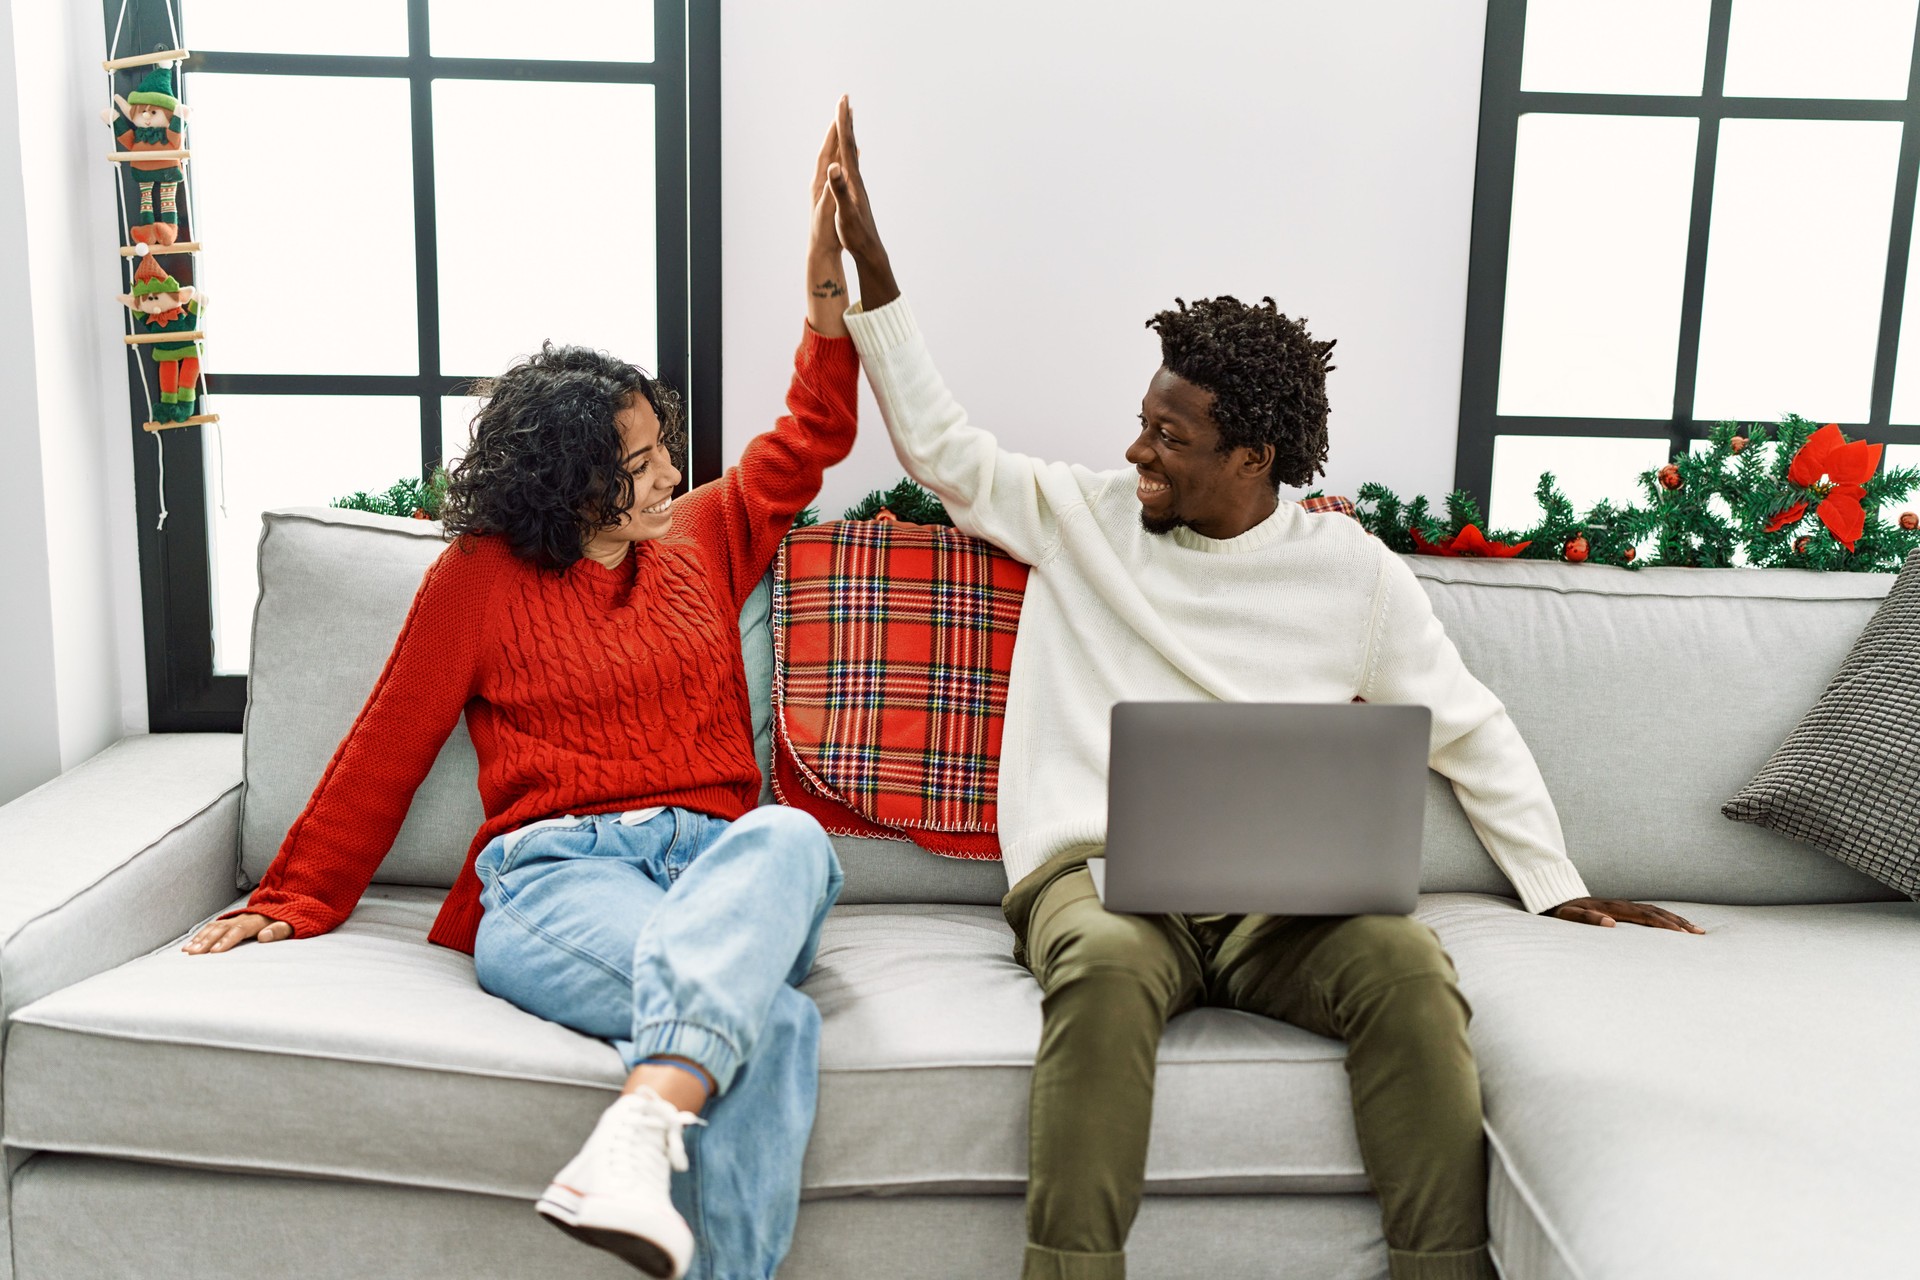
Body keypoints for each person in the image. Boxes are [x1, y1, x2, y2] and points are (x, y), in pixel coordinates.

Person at [820, 97, 1702, 1280]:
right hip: (1097, 885)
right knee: (1104, 968)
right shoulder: (1083, 519)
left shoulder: (1351, 575)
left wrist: (1558, 888)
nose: (1137, 449)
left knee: (1407, 966)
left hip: (1276, 911)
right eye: (1142, 421)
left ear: (1253, 459)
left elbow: (1469, 728)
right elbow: (941, 444)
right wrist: (873, 270)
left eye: (1169, 436)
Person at [182, 126, 863, 1280]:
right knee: (779, 1023)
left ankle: (639, 1127)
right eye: (637, 460)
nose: (665, 474)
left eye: (662, 448)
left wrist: (824, 294)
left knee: (791, 833)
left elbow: (810, 438)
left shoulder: (699, 537)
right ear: (565, 479)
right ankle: (659, 1135)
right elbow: (388, 740)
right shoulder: (483, 577)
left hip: (713, 864)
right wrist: (295, 893)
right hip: (558, 877)